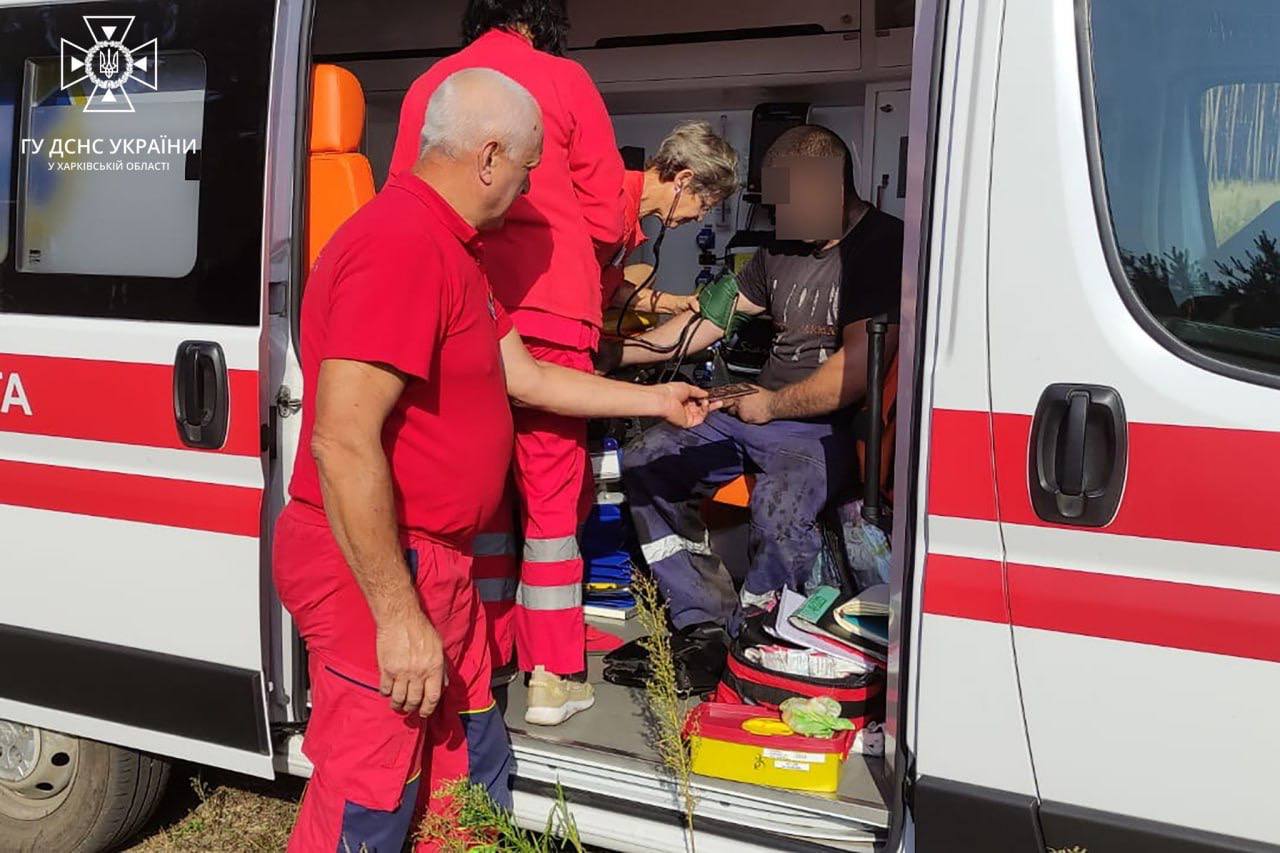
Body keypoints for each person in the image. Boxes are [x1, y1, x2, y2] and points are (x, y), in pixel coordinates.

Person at [274, 68, 711, 853]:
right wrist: (397, 613)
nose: (528, 186)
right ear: (487, 156)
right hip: (377, 564)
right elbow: (341, 439)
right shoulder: (397, 245)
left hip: (437, 563)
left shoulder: (455, 253)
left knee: (467, 748)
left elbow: (530, 377)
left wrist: (656, 398)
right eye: (526, 168)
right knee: (375, 782)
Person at [389, 0, 625, 726]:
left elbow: (408, 201)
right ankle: (553, 671)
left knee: (483, 494)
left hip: (464, 311)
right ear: (543, 19)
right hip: (555, 315)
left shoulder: (432, 86)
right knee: (553, 499)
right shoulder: (566, 80)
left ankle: (484, 656)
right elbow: (610, 216)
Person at [610, 124, 903, 674]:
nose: (780, 218)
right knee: (645, 459)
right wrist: (616, 357)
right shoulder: (777, 249)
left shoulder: (884, 247)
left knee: (778, 511)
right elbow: (707, 320)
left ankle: (761, 632)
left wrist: (768, 406)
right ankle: (701, 617)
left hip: (827, 424)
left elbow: (860, 368)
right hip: (752, 405)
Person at [603, 120, 740, 318]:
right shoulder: (610, 200)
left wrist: (677, 304)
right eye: (704, 206)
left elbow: (607, 289)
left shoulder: (631, 218)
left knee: (645, 271)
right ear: (683, 180)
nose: (699, 218)